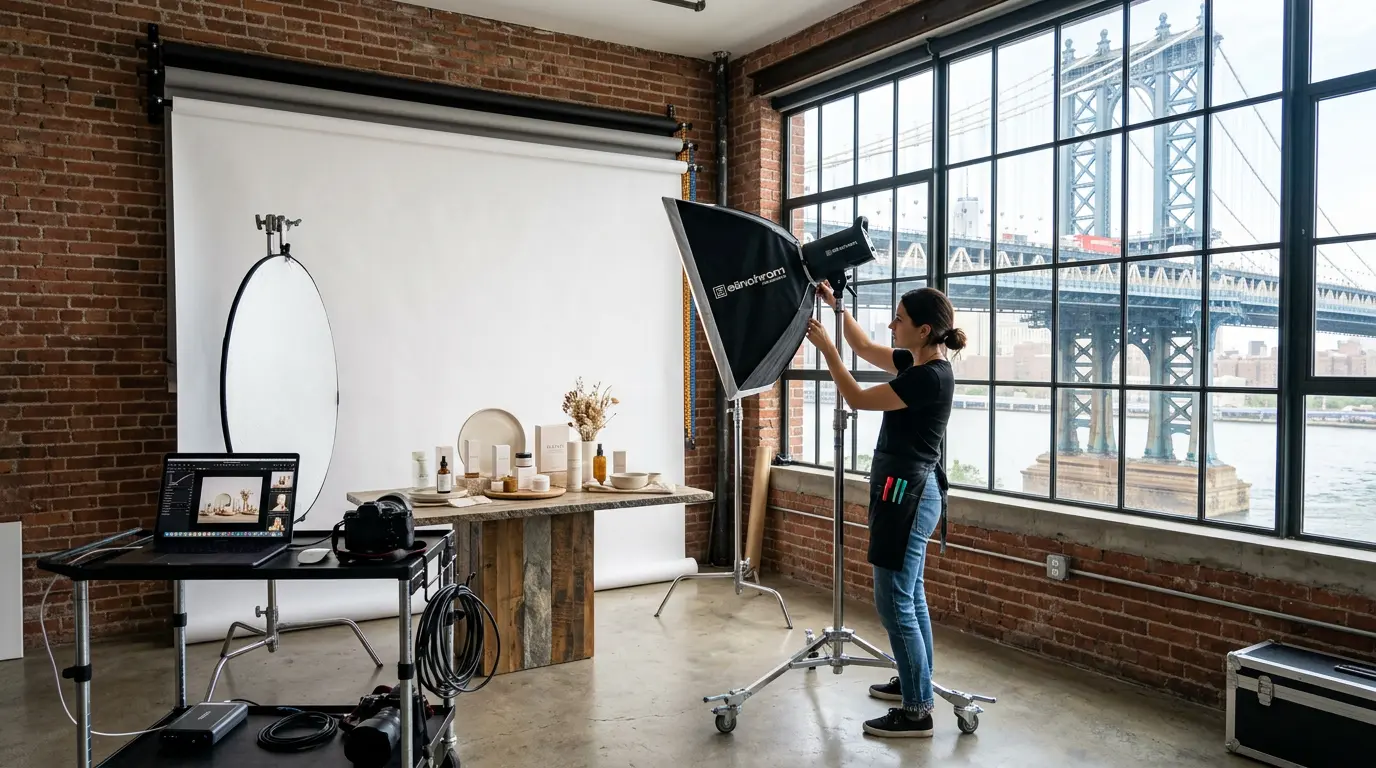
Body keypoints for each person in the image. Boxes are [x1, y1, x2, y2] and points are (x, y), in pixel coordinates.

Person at [805, 280, 965, 739]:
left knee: (892, 600)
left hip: (910, 495)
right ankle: (914, 684)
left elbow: (855, 396)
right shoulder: (917, 361)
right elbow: (865, 346)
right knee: (910, 596)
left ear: (924, 329)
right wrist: (837, 309)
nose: (892, 324)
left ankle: (917, 710)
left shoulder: (926, 378)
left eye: (899, 318)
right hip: (914, 491)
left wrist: (825, 349)